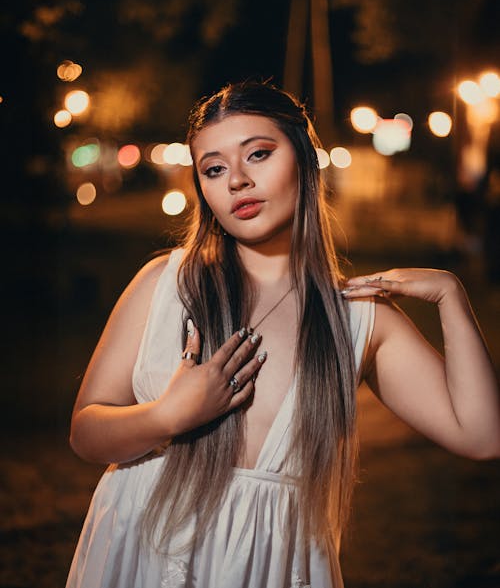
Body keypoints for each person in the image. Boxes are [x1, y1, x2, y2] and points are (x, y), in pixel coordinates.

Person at [66, 81, 500, 588]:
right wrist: (167, 415)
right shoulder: (165, 285)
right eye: (214, 168)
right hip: (145, 555)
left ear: (305, 161)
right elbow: (85, 433)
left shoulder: (357, 320)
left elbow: (483, 436)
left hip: (271, 569)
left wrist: (451, 295)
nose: (237, 181)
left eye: (259, 154)